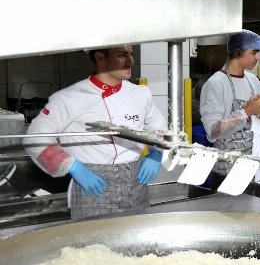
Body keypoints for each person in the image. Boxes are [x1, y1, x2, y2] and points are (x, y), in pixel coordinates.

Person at [24, 45, 167, 219]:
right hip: (93, 186)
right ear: (100, 58)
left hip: (136, 183)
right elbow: (35, 139)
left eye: (131, 54)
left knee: (136, 232)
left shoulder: (140, 94)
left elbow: (158, 125)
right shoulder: (69, 98)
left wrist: (156, 153)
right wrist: (73, 167)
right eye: (122, 55)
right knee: (94, 236)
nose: (130, 61)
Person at [199, 30, 260, 197]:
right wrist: (246, 112)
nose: (258, 57)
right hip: (229, 170)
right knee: (232, 212)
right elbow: (213, 131)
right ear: (238, 52)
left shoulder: (252, 80)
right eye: (254, 52)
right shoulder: (216, 84)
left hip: (257, 166)